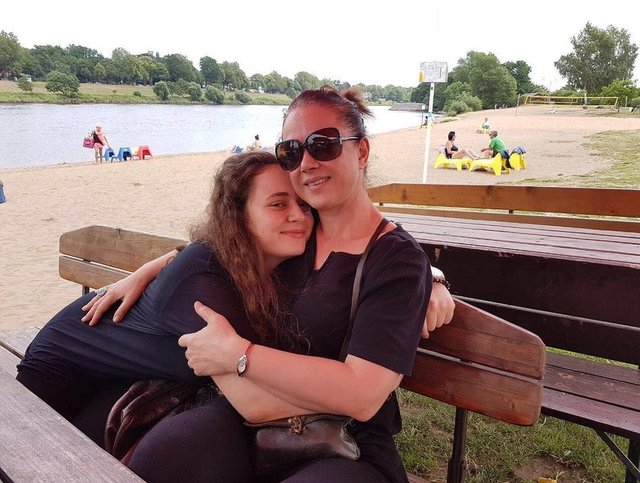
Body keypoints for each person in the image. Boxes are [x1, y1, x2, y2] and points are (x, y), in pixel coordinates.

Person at [19, 87, 455, 482]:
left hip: (345, 442)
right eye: (291, 151)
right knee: (177, 449)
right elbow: (213, 256)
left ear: (362, 151)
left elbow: (361, 395)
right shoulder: (299, 238)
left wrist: (429, 277)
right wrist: (158, 265)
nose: (307, 163)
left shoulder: (380, 256)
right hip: (253, 422)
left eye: (323, 144)